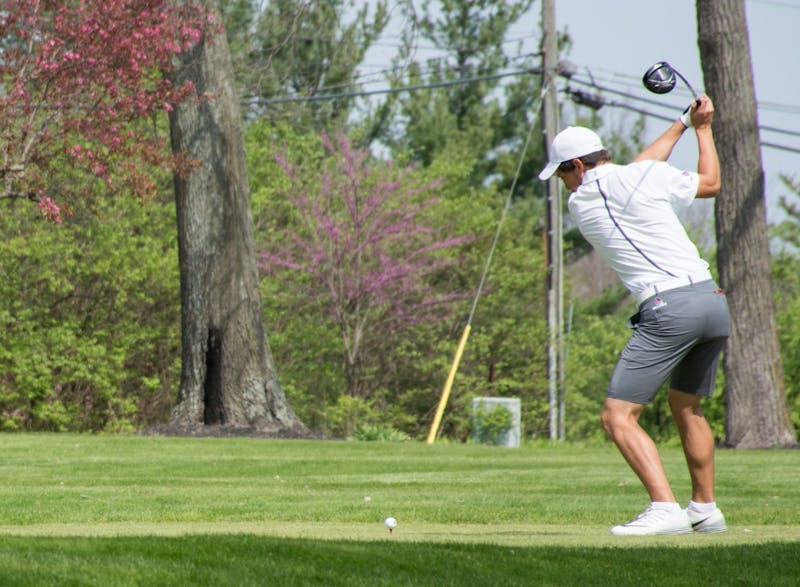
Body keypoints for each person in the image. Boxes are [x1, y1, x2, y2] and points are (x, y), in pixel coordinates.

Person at [538, 96, 729, 536]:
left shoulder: (582, 201)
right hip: (712, 301)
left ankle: (664, 508)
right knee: (688, 406)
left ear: (578, 169)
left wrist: (689, 126)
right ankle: (705, 508)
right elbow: (710, 182)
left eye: (563, 173)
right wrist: (696, 126)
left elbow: (635, 168)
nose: (563, 183)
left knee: (616, 416)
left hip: (669, 308)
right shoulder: (642, 177)